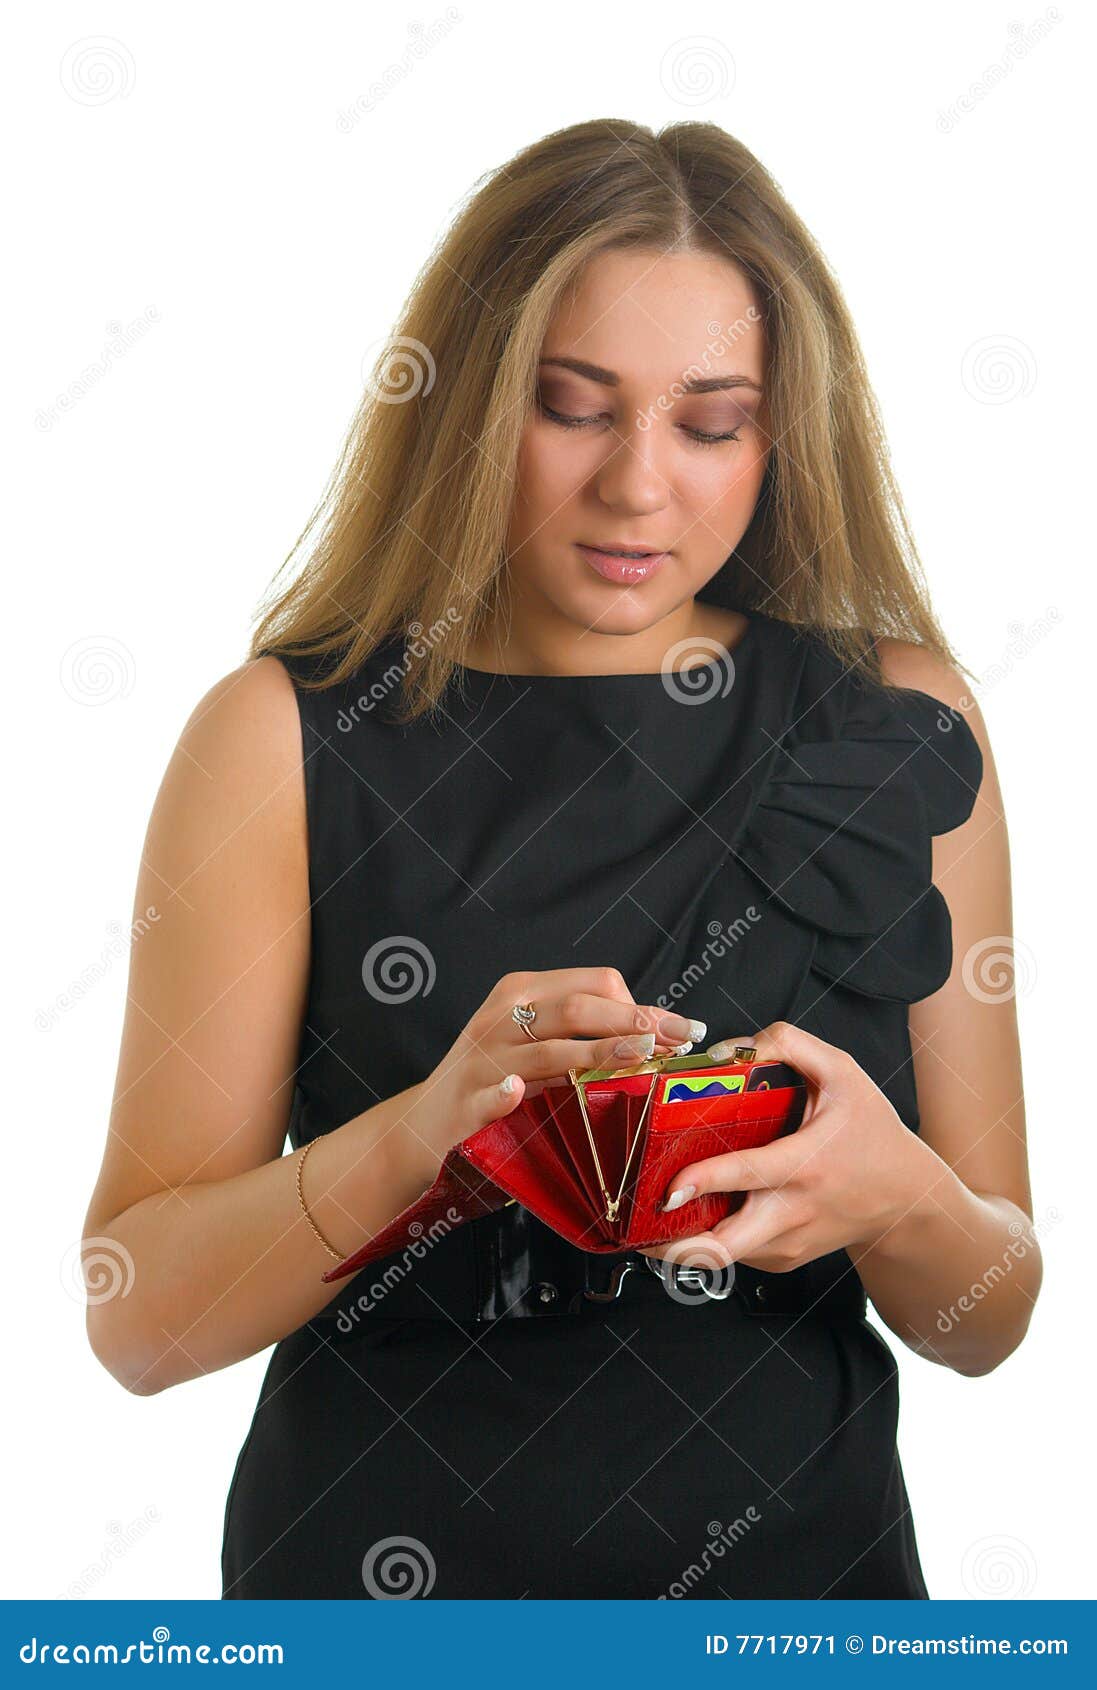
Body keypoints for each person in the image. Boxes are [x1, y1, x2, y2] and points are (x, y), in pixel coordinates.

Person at [82, 118, 1040, 1600]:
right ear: (464, 405)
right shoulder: (278, 736)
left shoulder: (896, 727)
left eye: (710, 423)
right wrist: (419, 1141)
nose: (639, 486)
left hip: (801, 1605)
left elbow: (990, 1309)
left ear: (783, 436)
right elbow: (137, 1322)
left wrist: (901, 1198)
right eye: (572, 407)